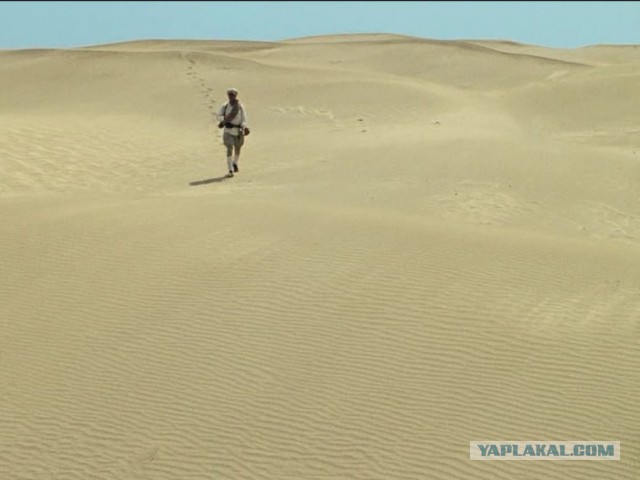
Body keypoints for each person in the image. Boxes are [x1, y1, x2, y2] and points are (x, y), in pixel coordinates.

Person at [217, 88, 250, 177]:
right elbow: (219, 116)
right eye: (230, 95)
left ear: (236, 95)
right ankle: (230, 169)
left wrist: (244, 127)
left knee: (238, 149)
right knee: (229, 148)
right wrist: (225, 119)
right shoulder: (225, 106)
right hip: (228, 131)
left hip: (238, 132)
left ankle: (234, 163)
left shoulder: (240, 106)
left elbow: (244, 118)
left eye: (233, 95)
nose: (231, 96)